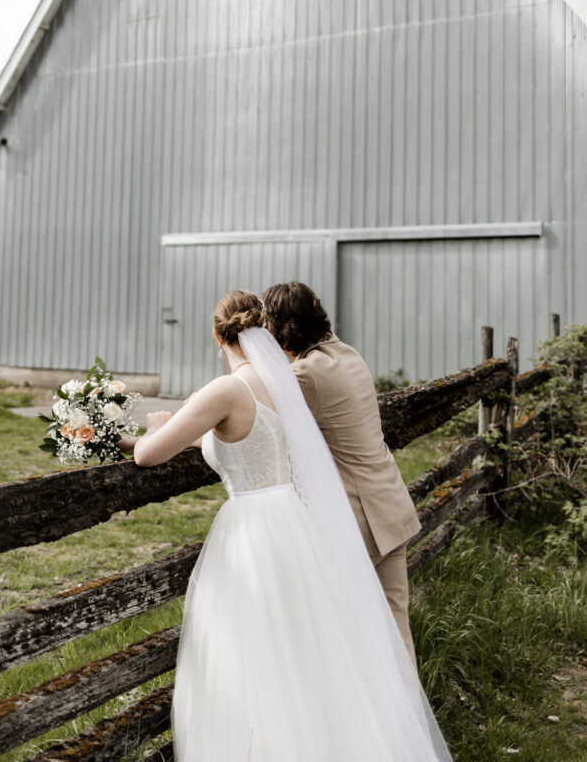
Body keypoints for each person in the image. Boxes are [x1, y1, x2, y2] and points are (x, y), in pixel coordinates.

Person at [121, 289, 452, 762]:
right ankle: (398, 742)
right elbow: (257, 433)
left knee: (295, 649)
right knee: (379, 639)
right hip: (383, 506)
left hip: (323, 522)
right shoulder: (342, 357)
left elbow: (223, 431)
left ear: (223, 335)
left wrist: (165, 429)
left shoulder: (296, 379)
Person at [262, 280, 420, 663]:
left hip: (357, 520)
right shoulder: (347, 353)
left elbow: (260, 426)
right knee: (395, 626)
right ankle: (405, 721)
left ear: (282, 328)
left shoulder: (307, 375)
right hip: (390, 502)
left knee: (340, 633)